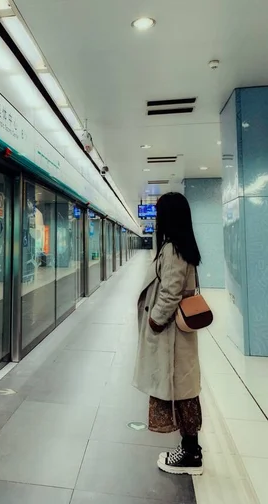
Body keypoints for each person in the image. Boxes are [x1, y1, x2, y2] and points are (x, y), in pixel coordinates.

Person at [133, 192, 203, 476]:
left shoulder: (173, 249)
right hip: (177, 336)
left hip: (171, 335)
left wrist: (155, 321)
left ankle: (191, 454)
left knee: (182, 390)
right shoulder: (181, 246)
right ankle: (189, 447)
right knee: (183, 388)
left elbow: (171, 292)